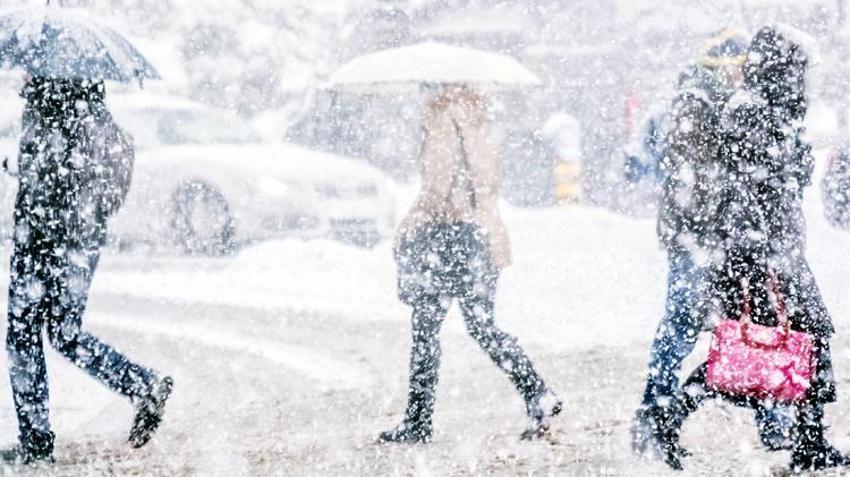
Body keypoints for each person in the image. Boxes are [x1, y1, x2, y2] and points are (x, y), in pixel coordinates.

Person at [650, 26, 850, 473]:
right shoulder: (750, 114)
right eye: (798, 71)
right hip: (759, 257)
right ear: (781, 70)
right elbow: (745, 192)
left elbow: (777, 184)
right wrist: (759, 255)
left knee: (787, 347)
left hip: (773, 252)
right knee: (761, 351)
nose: (804, 81)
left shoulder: (769, 112)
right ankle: (670, 418)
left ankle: (808, 441)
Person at [4, 76, 173, 464]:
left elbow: (51, 177)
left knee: (23, 335)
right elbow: (95, 188)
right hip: (81, 241)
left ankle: (35, 445)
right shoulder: (97, 115)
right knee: (64, 332)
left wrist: (29, 173)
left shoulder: (51, 110)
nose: (27, 78)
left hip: (44, 238)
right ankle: (142, 384)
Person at [379, 87, 561, 444]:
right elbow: (486, 183)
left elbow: (438, 189)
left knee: (426, 331)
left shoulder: (442, 121)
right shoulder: (477, 123)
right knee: (482, 326)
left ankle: (418, 421)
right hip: (482, 235)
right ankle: (537, 392)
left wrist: (411, 222)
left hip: (448, 238)